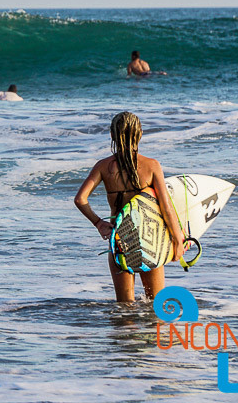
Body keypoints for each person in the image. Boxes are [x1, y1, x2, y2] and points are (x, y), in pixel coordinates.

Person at [74, 112, 185, 302]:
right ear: (140, 134)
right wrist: (178, 239)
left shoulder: (103, 166)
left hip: (119, 240)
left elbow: (80, 199)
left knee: (124, 308)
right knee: (155, 305)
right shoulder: (151, 165)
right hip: (149, 240)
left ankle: (125, 332)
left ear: (112, 136)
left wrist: (99, 223)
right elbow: (166, 208)